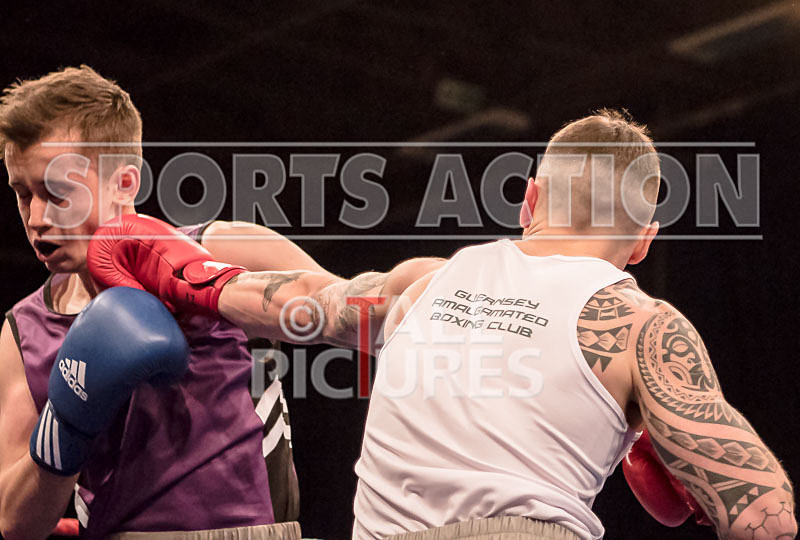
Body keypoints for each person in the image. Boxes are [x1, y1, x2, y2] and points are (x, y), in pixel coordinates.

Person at [88, 110, 797, 539]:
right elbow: (763, 514)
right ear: (643, 240)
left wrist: (173, 256)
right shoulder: (642, 326)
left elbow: (293, 303)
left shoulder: (427, 281)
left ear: (529, 201)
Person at [0, 65, 335, 539]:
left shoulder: (216, 251)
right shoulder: (24, 331)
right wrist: (65, 424)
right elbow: (14, 522)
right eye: (22, 193)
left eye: (57, 193)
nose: (36, 217)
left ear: (125, 183)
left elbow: (356, 315)